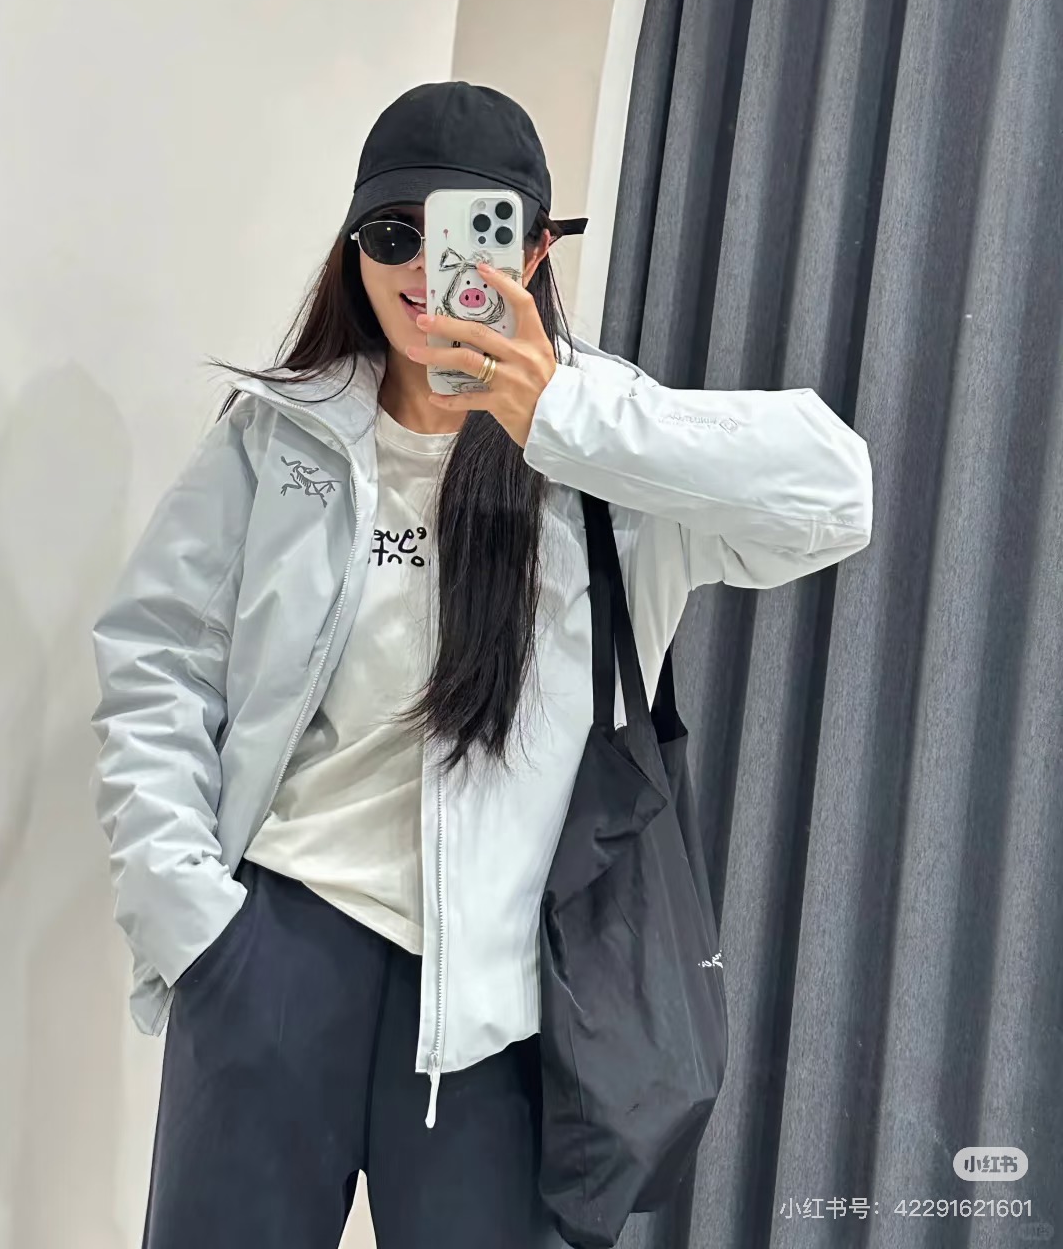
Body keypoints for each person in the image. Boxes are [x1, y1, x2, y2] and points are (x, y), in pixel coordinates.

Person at [89, 80, 874, 1249]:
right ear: (352, 249)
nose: (423, 269)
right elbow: (158, 662)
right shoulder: (278, 435)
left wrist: (564, 416)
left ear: (535, 248)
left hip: (502, 1012)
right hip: (271, 955)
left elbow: (837, 497)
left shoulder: (610, 457)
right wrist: (189, 920)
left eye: (466, 230)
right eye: (391, 234)